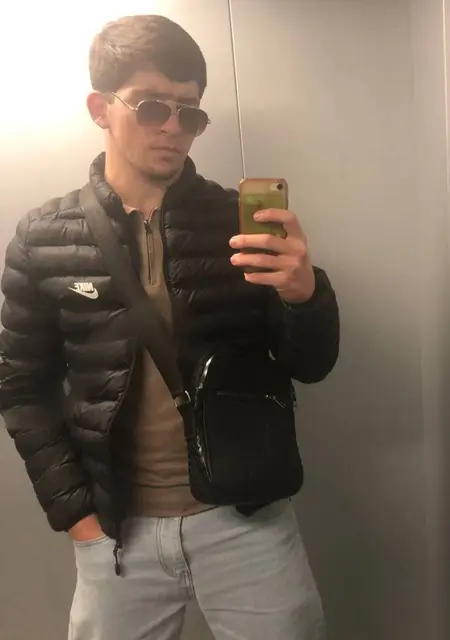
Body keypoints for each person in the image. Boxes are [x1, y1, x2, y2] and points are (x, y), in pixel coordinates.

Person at [0, 14, 339, 640]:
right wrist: (76, 515)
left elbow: (311, 365)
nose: (173, 128)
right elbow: (21, 385)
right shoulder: (43, 238)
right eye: (152, 106)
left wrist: (305, 296)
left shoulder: (236, 222)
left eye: (191, 113)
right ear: (101, 108)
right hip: (116, 534)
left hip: (247, 523)